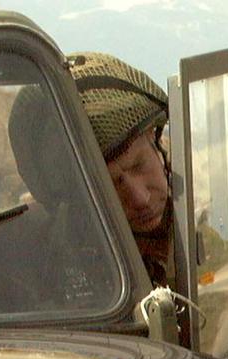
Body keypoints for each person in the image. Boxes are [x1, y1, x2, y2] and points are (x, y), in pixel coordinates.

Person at [68, 52, 173, 285]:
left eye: (139, 165)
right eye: (112, 185)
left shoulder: (203, 221)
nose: (140, 199)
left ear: (156, 144)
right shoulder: (52, 253)